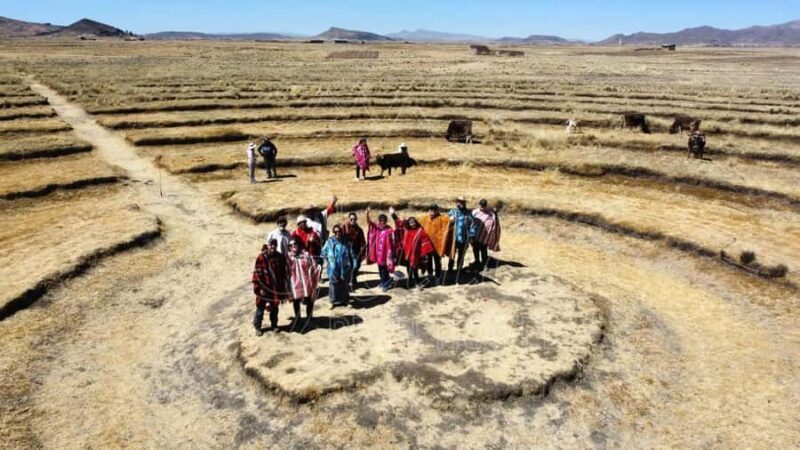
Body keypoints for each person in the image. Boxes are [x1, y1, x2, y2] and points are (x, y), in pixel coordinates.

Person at [252, 239, 290, 336]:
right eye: (271, 244)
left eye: (275, 245)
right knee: (260, 308)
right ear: (267, 245)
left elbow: (283, 272)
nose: (273, 246)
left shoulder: (279, 257)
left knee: (275, 307)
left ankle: (274, 325)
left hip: (275, 288)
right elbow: (257, 273)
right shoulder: (261, 258)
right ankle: (257, 326)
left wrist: (283, 287)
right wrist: (260, 287)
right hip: (264, 287)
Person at [392, 210, 435, 289]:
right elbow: (399, 224)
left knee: (414, 268)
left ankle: (417, 283)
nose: (412, 224)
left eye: (413, 222)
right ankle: (409, 282)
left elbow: (425, 241)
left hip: (416, 254)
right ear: (408, 224)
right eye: (410, 223)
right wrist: (393, 214)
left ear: (416, 222)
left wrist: (425, 253)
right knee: (409, 269)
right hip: (407, 254)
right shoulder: (406, 230)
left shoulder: (420, 231)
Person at [286, 238, 322, 330]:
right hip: (295, 284)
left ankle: (309, 318)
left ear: (298, 245)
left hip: (307, 283)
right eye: (290, 245)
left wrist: (314, 280)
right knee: (296, 302)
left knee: (310, 301)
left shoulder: (306, 255)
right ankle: (298, 319)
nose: (293, 246)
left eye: (295, 244)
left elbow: (313, 266)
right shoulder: (288, 257)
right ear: (289, 248)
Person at [321, 225, 353, 307]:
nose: (338, 233)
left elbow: (350, 252)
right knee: (333, 284)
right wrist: (327, 260)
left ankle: (345, 300)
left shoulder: (345, 242)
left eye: (339, 231)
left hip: (344, 266)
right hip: (333, 267)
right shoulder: (329, 242)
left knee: (344, 283)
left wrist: (349, 263)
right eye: (336, 232)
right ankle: (332, 301)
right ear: (334, 232)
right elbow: (323, 252)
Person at [366, 206, 396, 291]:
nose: (382, 222)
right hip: (378, 253)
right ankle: (384, 281)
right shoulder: (377, 228)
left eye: (384, 221)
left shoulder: (389, 230)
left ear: (386, 221)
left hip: (386, 254)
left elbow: (394, 241)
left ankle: (386, 283)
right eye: (381, 221)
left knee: (385, 269)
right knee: (380, 268)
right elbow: (369, 222)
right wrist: (367, 213)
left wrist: (392, 254)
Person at [419, 204, 450, 285]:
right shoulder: (424, 219)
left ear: (437, 211)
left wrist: (452, 219)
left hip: (438, 245)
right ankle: (430, 275)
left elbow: (449, 222)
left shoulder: (442, 218)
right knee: (428, 261)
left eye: (434, 210)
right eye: (430, 210)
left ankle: (438, 277)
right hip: (427, 245)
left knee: (437, 262)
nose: (432, 212)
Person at [447, 196, 475, 283]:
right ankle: (450, 270)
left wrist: (471, 236)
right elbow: (446, 222)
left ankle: (459, 270)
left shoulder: (468, 214)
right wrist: (450, 220)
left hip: (464, 239)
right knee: (452, 255)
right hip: (454, 239)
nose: (461, 203)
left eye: (462, 202)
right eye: (459, 202)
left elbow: (472, 225)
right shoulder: (452, 212)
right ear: (456, 203)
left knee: (461, 256)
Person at [471, 199, 501, 272]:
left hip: (484, 236)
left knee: (483, 250)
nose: (482, 208)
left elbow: (494, 222)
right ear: (479, 205)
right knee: (475, 250)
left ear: (486, 206)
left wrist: (495, 213)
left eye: (484, 206)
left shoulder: (489, 213)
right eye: (481, 206)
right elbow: (470, 221)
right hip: (475, 235)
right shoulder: (475, 212)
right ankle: (477, 262)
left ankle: (484, 264)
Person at [341, 212, 367, 291]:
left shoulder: (359, 230)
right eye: (351, 219)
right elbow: (338, 235)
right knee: (348, 267)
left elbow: (363, 241)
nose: (353, 220)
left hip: (355, 251)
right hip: (346, 250)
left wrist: (363, 250)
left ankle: (353, 277)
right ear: (349, 219)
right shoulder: (344, 227)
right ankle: (350, 281)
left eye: (354, 219)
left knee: (356, 266)